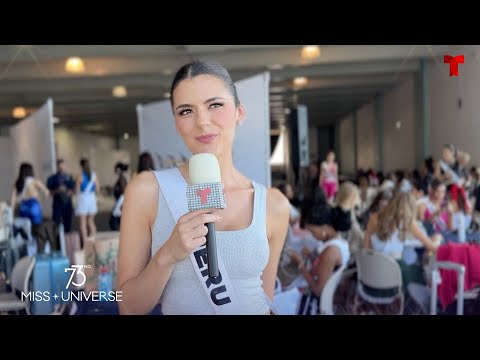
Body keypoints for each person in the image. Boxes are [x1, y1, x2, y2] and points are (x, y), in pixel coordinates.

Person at [117, 61, 290, 315]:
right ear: (176, 123)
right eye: (186, 111)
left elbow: (265, 298)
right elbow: (128, 307)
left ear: (239, 112)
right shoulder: (147, 191)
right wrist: (167, 255)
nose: (202, 121)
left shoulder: (274, 204)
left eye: (215, 105)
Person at [10, 162, 50, 227]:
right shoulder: (35, 181)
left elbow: (13, 199)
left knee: (26, 227)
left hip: (23, 206)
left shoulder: (18, 182)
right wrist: (41, 200)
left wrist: (11, 211)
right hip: (34, 206)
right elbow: (47, 192)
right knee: (36, 227)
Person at [75, 158, 99, 247]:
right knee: (91, 222)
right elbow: (97, 189)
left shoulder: (80, 176)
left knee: (83, 223)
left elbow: (77, 190)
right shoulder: (94, 176)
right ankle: (93, 240)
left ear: (81, 166)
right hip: (92, 198)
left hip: (83, 198)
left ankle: (85, 244)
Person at [47, 159, 75, 233]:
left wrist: (70, 192)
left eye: (62, 166)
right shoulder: (51, 179)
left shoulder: (69, 177)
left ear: (65, 166)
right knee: (55, 224)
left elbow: (74, 190)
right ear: (56, 167)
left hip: (68, 204)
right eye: (59, 167)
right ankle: (56, 241)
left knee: (68, 224)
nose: (61, 168)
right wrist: (57, 190)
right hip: (57, 204)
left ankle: (66, 241)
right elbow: (49, 193)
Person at [110, 162, 128, 231]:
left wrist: (121, 202)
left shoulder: (121, 178)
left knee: (115, 217)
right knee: (118, 216)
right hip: (121, 199)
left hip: (121, 199)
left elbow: (123, 190)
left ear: (118, 169)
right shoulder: (122, 178)